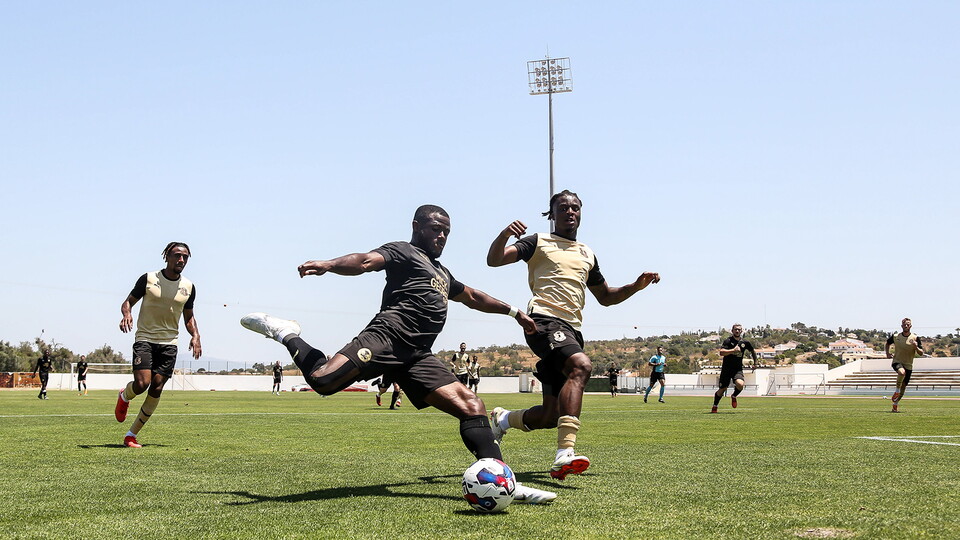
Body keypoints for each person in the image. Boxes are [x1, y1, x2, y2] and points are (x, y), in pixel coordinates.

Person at [239, 204, 555, 503]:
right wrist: (328, 265)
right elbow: (364, 261)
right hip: (386, 338)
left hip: (417, 355)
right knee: (323, 381)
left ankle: (503, 481)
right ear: (416, 227)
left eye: (447, 231)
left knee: (472, 406)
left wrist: (514, 312)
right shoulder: (404, 251)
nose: (442, 236)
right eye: (436, 229)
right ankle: (286, 333)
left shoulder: (442, 273)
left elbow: (473, 296)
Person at [486, 190, 661, 480]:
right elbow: (494, 260)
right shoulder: (538, 242)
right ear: (551, 214)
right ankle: (564, 453)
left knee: (549, 416)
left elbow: (605, 297)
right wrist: (505, 234)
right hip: (542, 321)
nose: (570, 212)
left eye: (575, 208)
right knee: (581, 366)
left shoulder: (587, 253)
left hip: (572, 330)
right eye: (563, 208)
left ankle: (502, 420)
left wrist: (635, 286)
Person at [115, 242, 202, 448]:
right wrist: (127, 314)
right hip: (145, 339)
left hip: (169, 344)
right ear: (167, 256)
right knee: (142, 384)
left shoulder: (189, 287)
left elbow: (189, 317)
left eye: (185, 257)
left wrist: (196, 335)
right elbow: (128, 302)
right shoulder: (149, 278)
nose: (181, 260)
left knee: (156, 388)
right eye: (177, 255)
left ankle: (131, 435)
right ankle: (124, 395)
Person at [711, 324, 756, 413]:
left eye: (739, 330)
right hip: (726, 369)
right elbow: (721, 352)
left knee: (740, 384)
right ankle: (715, 406)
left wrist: (756, 363)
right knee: (722, 389)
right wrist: (733, 350)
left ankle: (734, 396)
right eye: (735, 329)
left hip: (737, 369)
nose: (737, 331)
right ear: (732, 331)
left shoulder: (745, 342)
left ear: (741, 331)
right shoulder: (728, 341)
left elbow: (752, 351)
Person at [885, 317, 924, 413]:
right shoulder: (895, 336)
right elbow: (887, 343)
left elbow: (921, 353)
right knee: (901, 372)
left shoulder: (915, 338)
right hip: (897, 361)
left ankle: (895, 405)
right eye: (904, 324)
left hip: (909, 365)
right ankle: (896, 390)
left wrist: (916, 347)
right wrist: (887, 353)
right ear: (901, 326)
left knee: (904, 387)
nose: (906, 326)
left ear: (910, 326)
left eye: (908, 324)